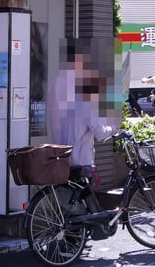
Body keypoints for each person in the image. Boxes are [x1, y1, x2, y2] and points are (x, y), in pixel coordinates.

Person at [47, 46, 113, 175]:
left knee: (65, 194)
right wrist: (113, 126)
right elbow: (99, 131)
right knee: (85, 195)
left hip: (60, 156)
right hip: (80, 160)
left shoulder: (55, 84)